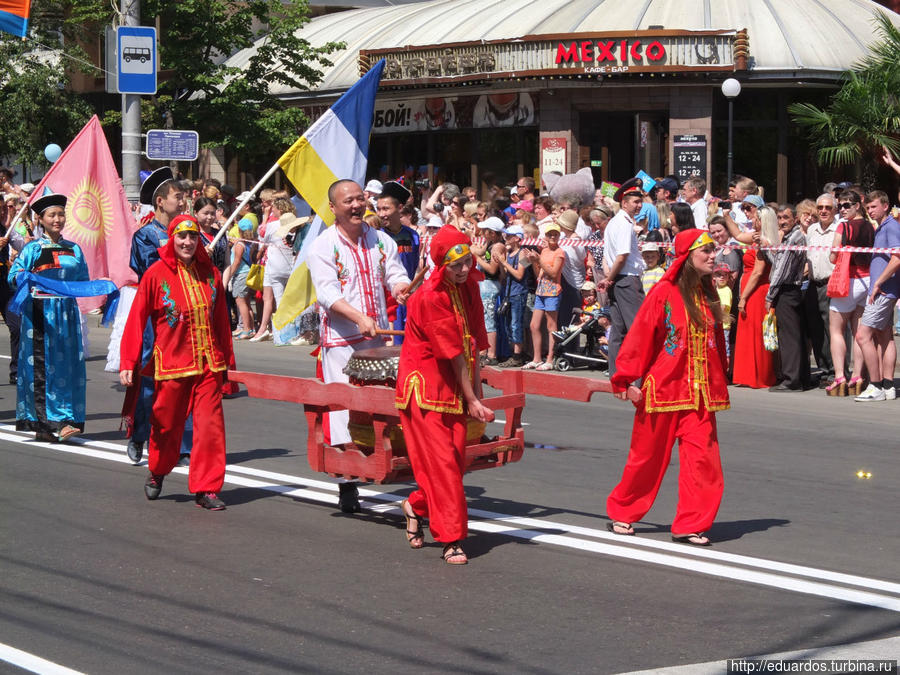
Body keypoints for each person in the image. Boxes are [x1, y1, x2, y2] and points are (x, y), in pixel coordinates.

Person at [605, 229, 728, 547]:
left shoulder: (708, 293)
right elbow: (641, 337)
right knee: (646, 458)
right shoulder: (664, 293)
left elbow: (717, 345)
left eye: (714, 251)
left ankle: (692, 523)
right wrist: (624, 377)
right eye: (707, 251)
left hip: (699, 396)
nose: (713, 256)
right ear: (689, 257)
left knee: (704, 462)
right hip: (663, 390)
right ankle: (624, 511)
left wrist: (720, 379)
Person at [307, 179, 411, 513]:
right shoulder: (323, 246)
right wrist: (358, 318)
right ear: (334, 208)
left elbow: (394, 274)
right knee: (343, 407)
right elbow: (327, 293)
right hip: (341, 342)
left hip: (377, 338)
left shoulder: (380, 240)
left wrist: (401, 288)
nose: (356, 205)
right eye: (348, 201)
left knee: (378, 405)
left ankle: (378, 462)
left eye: (360, 199)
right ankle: (346, 481)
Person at [120, 215, 235, 510]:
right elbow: (136, 320)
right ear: (172, 239)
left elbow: (222, 323)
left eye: (193, 237)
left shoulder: (211, 274)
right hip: (173, 364)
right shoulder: (156, 275)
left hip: (209, 364)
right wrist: (128, 361)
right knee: (166, 425)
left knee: (210, 427)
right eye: (182, 237)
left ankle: (206, 488)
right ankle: (158, 471)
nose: (187, 242)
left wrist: (228, 367)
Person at [395, 225, 494, 565]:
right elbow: (452, 354)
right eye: (456, 265)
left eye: (467, 261)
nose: (465, 269)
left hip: (455, 387)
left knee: (452, 464)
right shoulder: (430, 296)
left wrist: (476, 395)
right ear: (441, 266)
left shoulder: (470, 288)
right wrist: (474, 399)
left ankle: (414, 505)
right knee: (444, 467)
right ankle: (451, 537)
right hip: (426, 389)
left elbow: (475, 344)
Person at [8, 194, 107, 442]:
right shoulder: (33, 249)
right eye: (52, 215)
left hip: (68, 314)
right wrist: (25, 279)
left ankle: (65, 418)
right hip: (40, 313)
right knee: (42, 368)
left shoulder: (74, 249)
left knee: (67, 366)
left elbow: (82, 281)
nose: (57, 219)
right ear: (40, 219)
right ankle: (47, 422)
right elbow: (14, 275)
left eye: (61, 214)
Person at [126, 168, 192, 465]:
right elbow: (151, 273)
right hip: (157, 319)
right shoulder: (145, 235)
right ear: (161, 201)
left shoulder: (188, 234)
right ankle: (139, 435)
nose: (183, 202)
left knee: (187, 378)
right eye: (178, 197)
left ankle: (184, 443)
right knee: (151, 379)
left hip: (187, 318)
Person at [853, 191, 900, 401]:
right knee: (885, 335)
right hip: (885, 289)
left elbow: (897, 258)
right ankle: (888, 385)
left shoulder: (891, 226)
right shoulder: (883, 226)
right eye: (868, 208)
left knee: (863, 335)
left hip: (883, 290)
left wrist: (878, 282)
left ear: (885, 206)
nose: (870, 211)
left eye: (874, 207)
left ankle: (876, 385)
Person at [827, 190, 874, 396]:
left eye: (847, 205)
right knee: (858, 332)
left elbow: (832, 257)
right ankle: (857, 376)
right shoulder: (871, 226)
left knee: (837, 330)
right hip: (867, 280)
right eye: (840, 206)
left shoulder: (843, 226)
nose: (843, 209)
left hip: (847, 281)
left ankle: (839, 377)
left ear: (857, 205)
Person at [599, 178, 646, 377]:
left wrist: (609, 278)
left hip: (617, 279)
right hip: (626, 279)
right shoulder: (625, 224)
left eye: (640, 201)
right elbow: (622, 256)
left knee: (618, 329)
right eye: (635, 201)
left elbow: (607, 258)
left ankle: (616, 372)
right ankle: (639, 374)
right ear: (624, 202)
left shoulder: (613, 223)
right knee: (639, 327)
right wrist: (610, 277)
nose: (639, 205)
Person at [765, 202, 811, 391]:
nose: (782, 221)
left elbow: (781, 269)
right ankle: (801, 377)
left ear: (795, 219)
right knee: (795, 335)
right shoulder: (788, 237)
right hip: (789, 289)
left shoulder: (795, 237)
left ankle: (791, 380)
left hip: (788, 289)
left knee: (789, 337)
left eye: (786, 218)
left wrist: (770, 295)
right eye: (780, 218)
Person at [732, 206, 777, 389]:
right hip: (752, 287)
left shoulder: (763, 241)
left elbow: (758, 272)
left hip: (757, 290)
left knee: (756, 334)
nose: (753, 220)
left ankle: (757, 375)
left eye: (756, 218)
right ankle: (748, 374)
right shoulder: (756, 237)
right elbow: (737, 235)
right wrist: (726, 215)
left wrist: (743, 297)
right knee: (749, 333)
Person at [524, 222, 565, 371]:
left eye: (555, 234)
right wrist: (534, 261)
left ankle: (550, 358)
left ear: (559, 236)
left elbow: (554, 273)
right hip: (541, 291)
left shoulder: (559, 252)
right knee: (534, 325)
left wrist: (538, 260)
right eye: (550, 234)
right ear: (546, 237)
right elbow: (538, 273)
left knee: (551, 326)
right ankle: (537, 358)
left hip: (553, 291)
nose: (552, 237)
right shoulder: (545, 251)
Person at [806, 194, 838, 381]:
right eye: (820, 208)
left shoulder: (839, 229)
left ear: (834, 209)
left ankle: (836, 370)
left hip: (830, 283)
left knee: (831, 329)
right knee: (816, 328)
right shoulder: (812, 230)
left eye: (827, 207)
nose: (823, 211)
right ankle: (824, 369)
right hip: (813, 283)